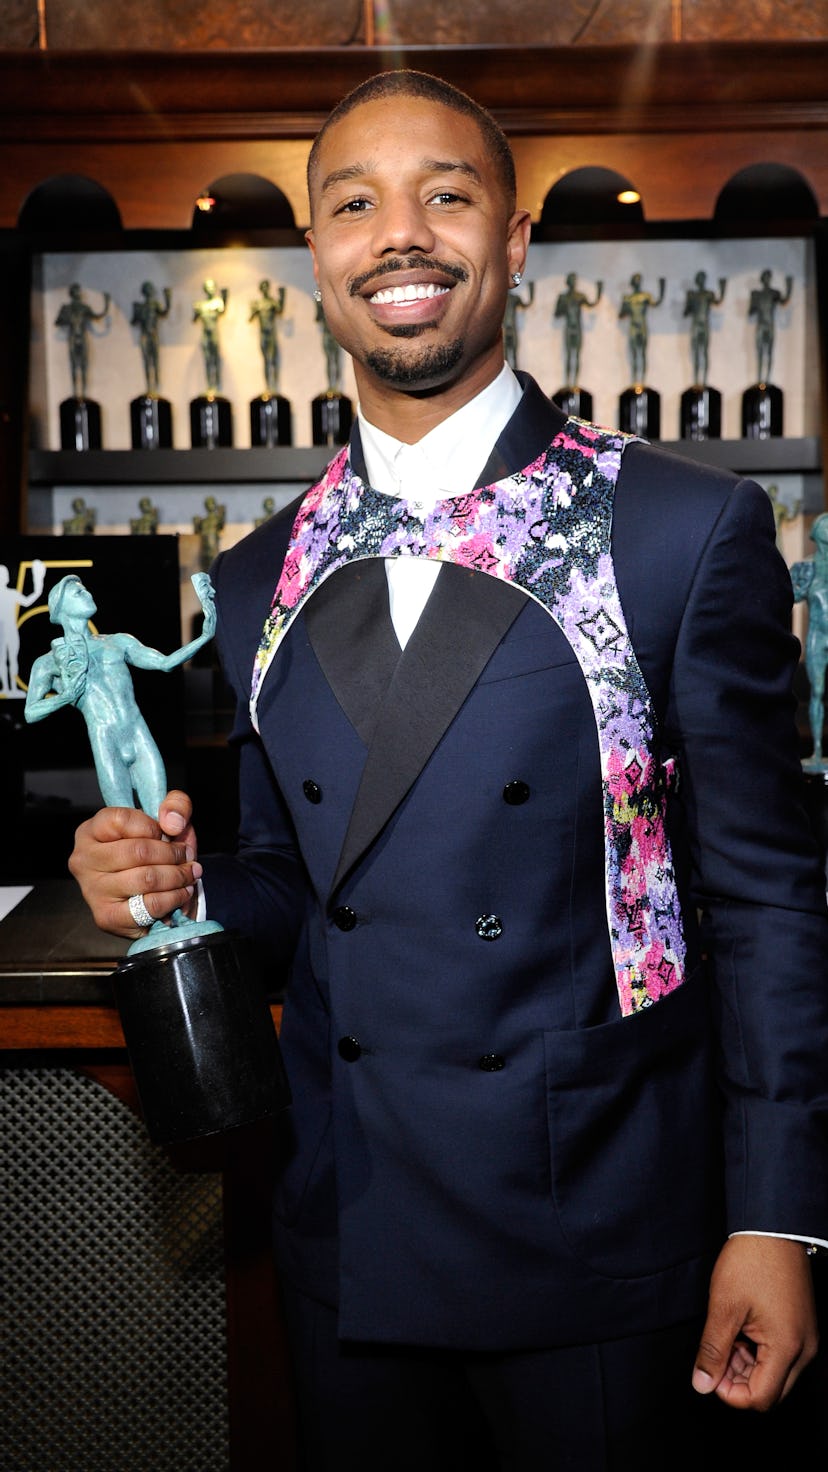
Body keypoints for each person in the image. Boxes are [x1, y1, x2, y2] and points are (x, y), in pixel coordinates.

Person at [68, 71, 828, 1472]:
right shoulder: (257, 581)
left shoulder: (677, 528)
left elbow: (773, 904)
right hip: (351, 1226)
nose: (400, 234)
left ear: (518, 237)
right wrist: (170, 883)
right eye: (355, 203)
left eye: (447, 194)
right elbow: (298, 884)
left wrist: (775, 1219)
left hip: (601, 1226)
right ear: (317, 256)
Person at [26, 571, 215, 818]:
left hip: (138, 733)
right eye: (78, 592)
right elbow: (30, 712)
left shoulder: (119, 642)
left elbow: (165, 663)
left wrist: (205, 636)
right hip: (106, 741)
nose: (87, 593)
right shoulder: (49, 661)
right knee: (128, 825)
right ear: (60, 606)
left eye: (85, 589)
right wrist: (64, 696)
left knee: (161, 818)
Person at [792, 512, 828, 765]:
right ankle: (817, 750)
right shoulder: (808, 568)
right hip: (817, 636)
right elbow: (788, 596)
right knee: (817, 692)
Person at [55, 282, 110, 400]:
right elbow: (58, 321)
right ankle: (76, 392)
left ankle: (84, 393)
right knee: (74, 365)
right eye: (76, 291)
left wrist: (106, 304)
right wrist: (69, 320)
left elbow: (97, 316)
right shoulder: (66, 308)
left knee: (84, 364)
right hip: (73, 337)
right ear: (72, 293)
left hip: (82, 337)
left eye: (79, 291)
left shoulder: (84, 308)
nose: (78, 293)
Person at [554, 270, 602, 386]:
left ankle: (575, 382)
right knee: (569, 355)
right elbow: (557, 313)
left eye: (574, 280)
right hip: (569, 328)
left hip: (577, 328)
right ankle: (567, 382)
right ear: (567, 282)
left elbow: (591, 304)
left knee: (576, 355)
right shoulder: (563, 297)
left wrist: (599, 291)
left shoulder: (580, 296)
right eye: (571, 279)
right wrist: (565, 307)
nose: (573, 282)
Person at [618, 270, 665, 385]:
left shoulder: (645, 296)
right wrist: (625, 308)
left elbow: (656, 303)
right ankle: (634, 380)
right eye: (636, 280)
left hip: (642, 327)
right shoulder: (628, 298)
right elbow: (621, 315)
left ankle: (643, 381)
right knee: (634, 354)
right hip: (633, 327)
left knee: (643, 353)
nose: (638, 282)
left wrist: (662, 288)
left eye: (639, 280)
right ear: (632, 283)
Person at [749, 268, 794, 385]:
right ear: (762, 279)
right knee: (760, 352)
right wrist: (754, 304)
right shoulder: (757, 294)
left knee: (768, 352)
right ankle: (759, 380)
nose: (767, 279)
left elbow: (784, 301)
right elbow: (751, 312)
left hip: (769, 325)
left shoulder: (774, 293)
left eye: (769, 277)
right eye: (765, 277)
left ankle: (767, 380)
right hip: (761, 325)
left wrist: (789, 286)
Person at [682, 269, 726, 387]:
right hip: (696, 325)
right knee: (696, 352)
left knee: (704, 352)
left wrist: (723, 289)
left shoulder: (708, 294)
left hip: (704, 325)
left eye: (703, 278)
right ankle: (696, 380)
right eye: (699, 279)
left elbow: (718, 301)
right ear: (697, 281)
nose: (701, 281)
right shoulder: (692, 295)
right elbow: (686, 312)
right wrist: (689, 304)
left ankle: (704, 381)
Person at [130, 281, 172, 397]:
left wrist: (168, 299)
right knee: (147, 361)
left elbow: (164, 312)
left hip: (153, 334)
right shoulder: (140, 307)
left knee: (155, 360)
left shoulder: (155, 305)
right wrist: (137, 312)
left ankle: (156, 387)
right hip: (145, 335)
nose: (149, 291)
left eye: (150, 289)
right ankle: (149, 386)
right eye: (147, 289)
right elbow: (133, 321)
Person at [249, 279, 287, 394]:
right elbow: (250, 318)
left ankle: (274, 386)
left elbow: (280, 310)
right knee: (266, 360)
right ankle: (267, 386)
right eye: (263, 287)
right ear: (261, 289)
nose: (265, 289)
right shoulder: (257, 304)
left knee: (273, 360)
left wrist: (282, 297)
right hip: (263, 334)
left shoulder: (272, 302)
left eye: (267, 286)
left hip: (271, 333)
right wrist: (254, 310)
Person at [192, 279, 228, 392]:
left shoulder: (218, 303)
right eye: (208, 287)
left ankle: (216, 385)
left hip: (213, 333)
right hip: (205, 335)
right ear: (205, 289)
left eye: (212, 287)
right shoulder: (200, 305)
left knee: (215, 359)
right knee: (207, 360)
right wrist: (196, 312)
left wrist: (225, 298)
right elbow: (194, 319)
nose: (210, 290)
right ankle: (209, 386)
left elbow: (222, 310)